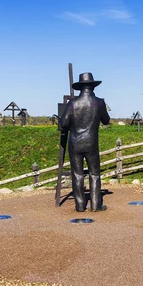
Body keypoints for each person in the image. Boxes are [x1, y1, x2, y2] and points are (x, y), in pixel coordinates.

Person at [59, 72, 110, 212]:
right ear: (93, 86)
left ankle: (80, 205)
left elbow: (63, 124)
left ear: (80, 87)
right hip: (91, 143)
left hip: (75, 143)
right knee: (94, 174)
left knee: (77, 174)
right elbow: (106, 120)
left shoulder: (72, 103)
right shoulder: (99, 103)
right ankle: (95, 205)